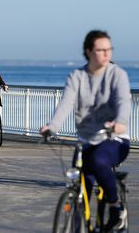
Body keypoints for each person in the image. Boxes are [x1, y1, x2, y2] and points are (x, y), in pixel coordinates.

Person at [39, 30, 130, 232]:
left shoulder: (118, 75)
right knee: (82, 189)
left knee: (98, 161)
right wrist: (52, 126)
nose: (107, 54)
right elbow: (65, 104)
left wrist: (121, 122)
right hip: (86, 142)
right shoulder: (77, 76)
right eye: (101, 50)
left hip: (114, 139)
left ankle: (116, 207)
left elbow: (124, 101)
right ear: (88, 51)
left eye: (109, 49)